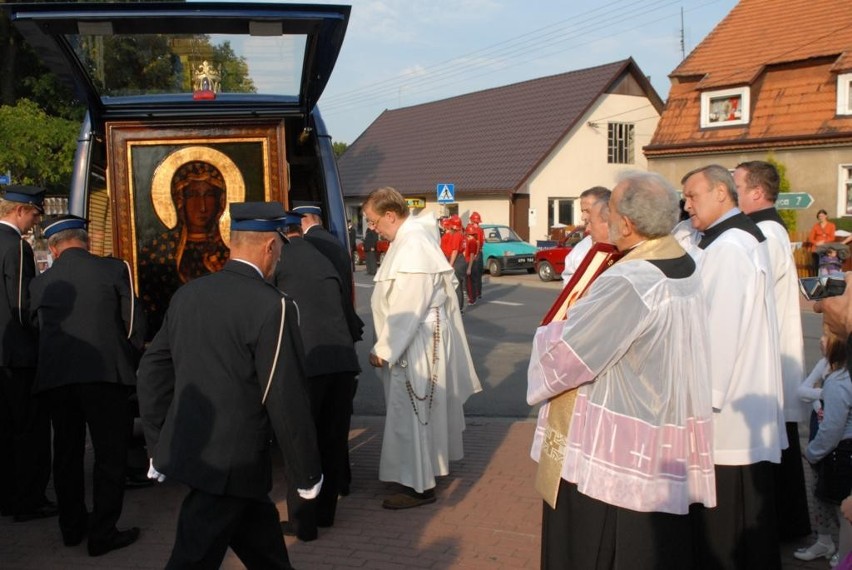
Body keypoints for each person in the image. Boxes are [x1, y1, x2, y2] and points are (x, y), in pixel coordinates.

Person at [527, 171, 715, 569]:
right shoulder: (684, 260)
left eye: (609, 212)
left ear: (627, 225)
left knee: (604, 545)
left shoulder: (631, 279)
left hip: (619, 441)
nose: (605, 219)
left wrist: (547, 334)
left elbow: (570, 358)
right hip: (662, 423)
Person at [137, 202, 322, 569]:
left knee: (266, 551)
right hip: (231, 465)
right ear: (270, 246)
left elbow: (152, 371)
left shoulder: (188, 294)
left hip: (208, 454)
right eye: (280, 249)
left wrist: (159, 443)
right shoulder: (273, 305)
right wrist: (306, 472)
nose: (279, 259)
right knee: (192, 557)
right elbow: (284, 396)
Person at [681, 164, 786, 569]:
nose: (687, 204)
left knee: (728, 520)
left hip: (726, 404)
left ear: (722, 194)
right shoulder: (727, 239)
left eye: (693, 195)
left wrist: (700, 402)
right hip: (738, 397)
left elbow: (719, 331)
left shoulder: (728, 248)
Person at [29, 215, 144, 555]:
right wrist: (127, 358)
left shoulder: (41, 283)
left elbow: (36, 328)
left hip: (57, 379)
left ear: (53, 248)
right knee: (110, 456)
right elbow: (134, 322)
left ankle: (72, 527)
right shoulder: (114, 270)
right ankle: (103, 533)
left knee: (66, 454)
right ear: (87, 241)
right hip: (106, 376)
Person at [362, 187, 481, 509]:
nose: (372, 229)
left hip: (414, 346)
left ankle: (418, 486)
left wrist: (384, 348)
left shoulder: (413, 244)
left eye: (373, 222)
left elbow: (409, 306)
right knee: (416, 414)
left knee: (412, 413)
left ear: (390, 215)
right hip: (416, 342)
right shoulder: (409, 239)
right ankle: (417, 472)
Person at [733, 160, 811, 541]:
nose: (732, 194)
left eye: (737, 186)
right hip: (773, 355)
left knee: (774, 452)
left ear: (756, 192)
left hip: (770, 356)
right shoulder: (766, 229)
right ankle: (789, 525)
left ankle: (784, 527)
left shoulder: (763, 232)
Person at [272, 212, 359, 543]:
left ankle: (303, 524)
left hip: (308, 363)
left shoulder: (279, 260)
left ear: (279, 235)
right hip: (342, 361)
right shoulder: (324, 256)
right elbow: (348, 313)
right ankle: (326, 514)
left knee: (302, 443)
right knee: (333, 441)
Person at [0, 185, 56, 523]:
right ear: (20, 211)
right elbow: (22, 306)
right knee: (28, 431)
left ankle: (7, 496)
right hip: (18, 358)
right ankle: (28, 499)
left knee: (4, 431)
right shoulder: (16, 248)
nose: (35, 223)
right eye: (35, 214)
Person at [138, 160, 230, 336]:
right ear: (180, 200)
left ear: (220, 201)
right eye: (193, 195)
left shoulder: (229, 248)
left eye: (209, 195)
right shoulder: (160, 249)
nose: (202, 206)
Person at [794, 328, 852, 563]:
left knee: (843, 509)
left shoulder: (839, 381)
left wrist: (812, 452)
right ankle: (830, 545)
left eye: (827, 335)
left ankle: (844, 556)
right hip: (837, 449)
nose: (821, 339)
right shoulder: (833, 374)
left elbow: (832, 429)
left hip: (841, 454)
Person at [560, 186, 610, 286]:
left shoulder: (624, 243)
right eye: (582, 211)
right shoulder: (580, 248)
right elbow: (569, 284)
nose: (583, 217)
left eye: (587, 211)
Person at [440, 214, 466, 312]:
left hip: (456, 261)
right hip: (461, 260)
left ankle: (458, 308)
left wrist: (450, 265)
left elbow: (454, 251)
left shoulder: (456, 236)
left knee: (457, 286)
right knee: (459, 285)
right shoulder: (461, 235)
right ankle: (460, 307)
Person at [810, 209, 837, 274]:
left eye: (822, 216)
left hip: (827, 249)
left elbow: (832, 237)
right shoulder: (815, 226)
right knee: (817, 266)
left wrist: (823, 242)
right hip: (817, 249)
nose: (821, 217)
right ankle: (818, 280)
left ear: (826, 216)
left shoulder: (831, 225)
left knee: (827, 265)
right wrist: (816, 243)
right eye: (819, 216)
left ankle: (828, 280)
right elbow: (810, 238)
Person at [467, 212, 484, 303]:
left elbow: (476, 242)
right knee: (477, 275)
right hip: (479, 253)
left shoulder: (472, 229)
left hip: (475, 253)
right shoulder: (480, 230)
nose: (477, 224)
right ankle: (478, 293)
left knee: (474, 275)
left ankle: (475, 294)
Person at [463, 223, 481, 305]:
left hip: (470, 263)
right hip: (470, 262)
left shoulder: (472, 242)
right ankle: (473, 297)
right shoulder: (472, 241)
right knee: (471, 282)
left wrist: (469, 268)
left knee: (470, 283)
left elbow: (472, 255)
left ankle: (472, 299)